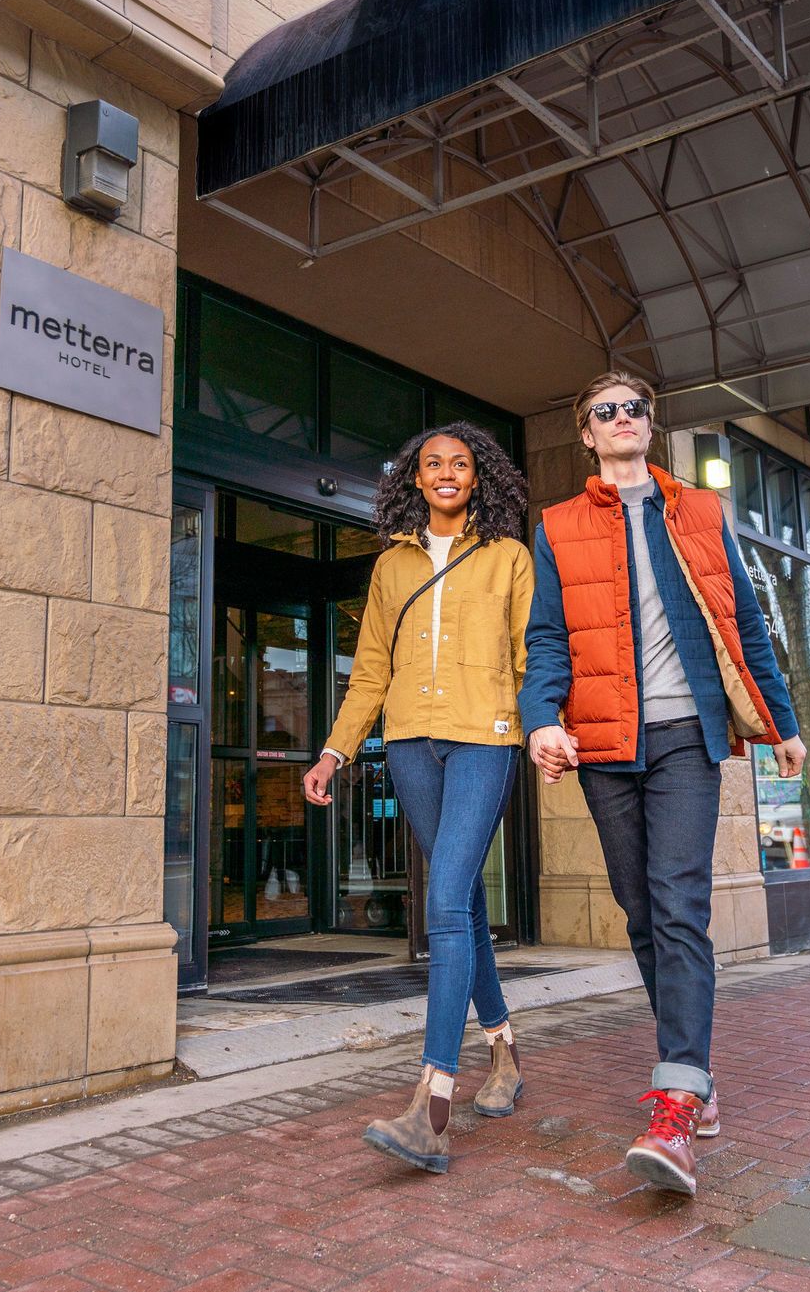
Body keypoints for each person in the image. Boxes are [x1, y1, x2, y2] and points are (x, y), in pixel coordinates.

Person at [520, 372, 805, 1198]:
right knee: (641, 910)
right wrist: (542, 716)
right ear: (585, 432)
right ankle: (699, 1071)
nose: (620, 420)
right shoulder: (559, 525)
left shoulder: (699, 513)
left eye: (632, 408)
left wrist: (781, 724)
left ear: (650, 424)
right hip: (605, 744)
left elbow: (745, 621)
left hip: (688, 735)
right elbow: (546, 636)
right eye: (603, 411)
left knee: (679, 903)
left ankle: (676, 1098)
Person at [303, 423, 534, 1175]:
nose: (444, 473)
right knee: (461, 902)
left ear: (479, 477)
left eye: (458, 463)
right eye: (431, 464)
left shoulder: (508, 557)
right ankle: (504, 1055)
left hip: (484, 737)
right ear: (413, 479)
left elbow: (531, 656)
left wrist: (544, 730)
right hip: (409, 741)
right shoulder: (391, 568)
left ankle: (431, 1108)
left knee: (444, 902)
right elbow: (371, 668)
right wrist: (336, 749)